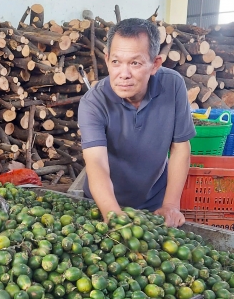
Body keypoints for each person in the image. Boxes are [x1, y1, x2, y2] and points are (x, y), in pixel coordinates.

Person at [78, 18, 196, 227]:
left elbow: (180, 148)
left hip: (154, 207)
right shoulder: (93, 103)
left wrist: (170, 205)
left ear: (155, 64)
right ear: (106, 60)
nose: (123, 74)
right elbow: (96, 163)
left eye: (135, 63)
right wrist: (113, 215)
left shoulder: (173, 85)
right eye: (116, 62)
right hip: (102, 207)